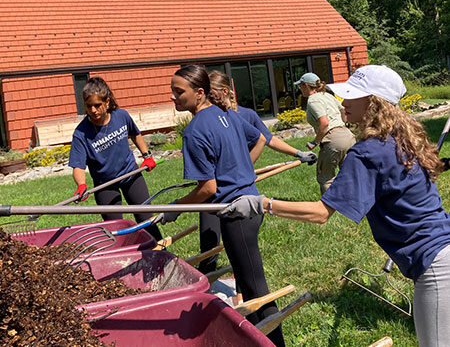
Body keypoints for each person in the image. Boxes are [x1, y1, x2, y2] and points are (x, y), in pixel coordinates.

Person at [220, 65, 450, 346]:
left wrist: (261, 204)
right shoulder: (405, 139)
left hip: (434, 265)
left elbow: (320, 214)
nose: (344, 102)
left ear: (374, 103)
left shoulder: (367, 152)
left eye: (352, 96)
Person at [161, 64, 285, 346]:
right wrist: (240, 169)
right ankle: (253, 337)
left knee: (255, 289)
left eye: (178, 92)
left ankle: (274, 341)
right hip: (252, 205)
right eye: (172, 91)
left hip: (236, 215)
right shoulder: (224, 114)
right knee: (245, 280)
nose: (173, 97)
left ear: (200, 92)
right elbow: (258, 138)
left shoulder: (194, 132)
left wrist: (176, 207)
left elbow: (208, 188)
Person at [197, 69, 316, 277]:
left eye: (211, 92)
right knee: (209, 238)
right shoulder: (207, 120)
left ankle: (242, 288)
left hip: (237, 191)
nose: (207, 97)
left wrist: (298, 152)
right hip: (213, 190)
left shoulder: (245, 115)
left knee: (241, 246)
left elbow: (266, 139)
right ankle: (206, 279)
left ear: (223, 92)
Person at [68, 76, 162, 241]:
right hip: (105, 184)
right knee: (116, 229)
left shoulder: (121, 116)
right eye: (89, 106)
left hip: (130, 175)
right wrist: (81, 185)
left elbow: (135, 134)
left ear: (107, 102)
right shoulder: (81, 133)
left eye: (97, 105)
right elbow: (78, 166)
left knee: (147, 219)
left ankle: (159, 252)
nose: (94, 110)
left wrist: (146, 156)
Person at [295, 72, 355, 194]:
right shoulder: (327, 95)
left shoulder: (313, 100)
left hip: (334, 139)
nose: (299, 89)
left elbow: (324, 123)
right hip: (348, 136)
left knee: (326, 177)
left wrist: (315, 142)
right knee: (349, 173)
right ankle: (354, 201)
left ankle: (328, 208)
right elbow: (343, 110)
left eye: (300, 86)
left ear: (306, 85)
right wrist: (342, 124)